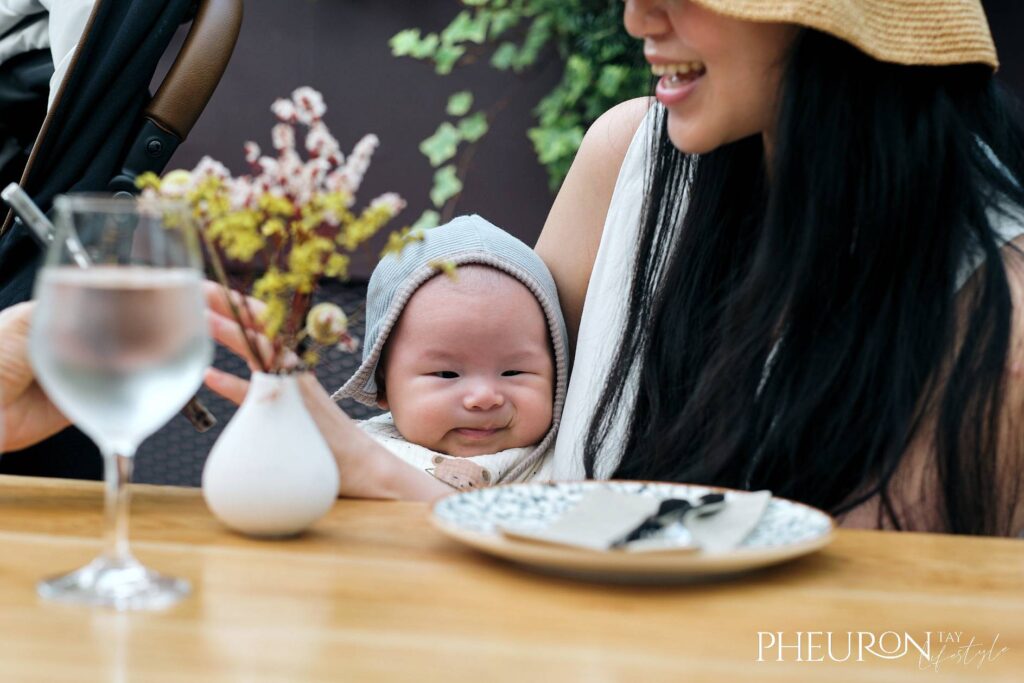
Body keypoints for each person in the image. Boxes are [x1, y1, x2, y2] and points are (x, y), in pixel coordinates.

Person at [208, 0, 1024, 536]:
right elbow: (519, 460)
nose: (638, 15)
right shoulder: (628, 157)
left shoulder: (994, 310)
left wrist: (379, 476)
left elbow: (833, 632)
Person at [331, 214, 569, 490]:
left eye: (513, 372)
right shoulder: (354, 453)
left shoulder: (571, 462)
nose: (483, 398)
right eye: (446, 373)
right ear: (383, 385)